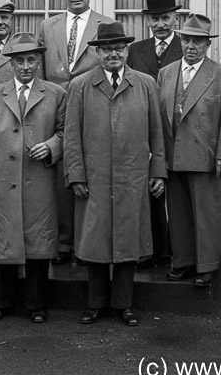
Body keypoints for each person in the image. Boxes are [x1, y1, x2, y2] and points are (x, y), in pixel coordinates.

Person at [64, 21, 166, 327]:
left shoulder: (145, 83)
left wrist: (158, 171)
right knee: (95, 240)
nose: (113, 54)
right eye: (107, 49)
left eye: (119, 48)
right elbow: (71, 136)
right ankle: (95, 304)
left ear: (126, 51)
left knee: (127, 240)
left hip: (132, 175)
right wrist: (76, 175)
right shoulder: (80, 85)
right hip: (94, 176)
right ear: (97, 53)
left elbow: (157, 133)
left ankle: (124, 304)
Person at [0, 32, 67, 324]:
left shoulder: (55, 94)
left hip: (40, 180)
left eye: (31, 60)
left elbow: (68, 133)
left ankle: (36, 305)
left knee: (38, 242)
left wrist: (51, 146)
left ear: (39, 62)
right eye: (20, 61)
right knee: (4, 240)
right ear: (10, 65)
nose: (26, 66)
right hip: (2, 179)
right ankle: (3, 303)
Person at [36, 0, 115, 265]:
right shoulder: (48, 26)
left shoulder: (105, 24)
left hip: (92, 106)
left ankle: (88, 243)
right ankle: (63, 243)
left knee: (90, 175)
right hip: (56, 110)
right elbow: (41, 73)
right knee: (59, 179)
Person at [157, 13, 221, 288]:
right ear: (180, 40)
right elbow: (158, 119)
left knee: (207, 215)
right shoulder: (166, 73)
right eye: (187, 40)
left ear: (208, 45)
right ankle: (182, 262)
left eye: (198, 42)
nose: (191, 46)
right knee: (178, 214)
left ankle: (206, 266)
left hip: (206, 158)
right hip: (173, 156)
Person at [126, 0, 184, 270]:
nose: (161, 24)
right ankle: (153, 250)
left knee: (176, 191)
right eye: (155, 19)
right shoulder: (136, 50)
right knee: (149, 190)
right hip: (144, 127)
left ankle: (178, 252)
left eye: (166, 18)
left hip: (178, 129)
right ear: (148, 21)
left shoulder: (187, 47)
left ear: (175, 18)